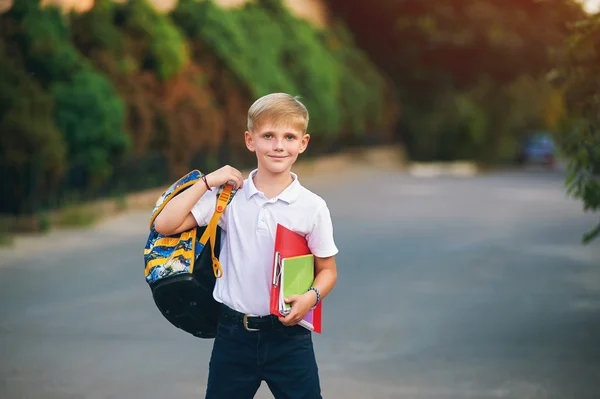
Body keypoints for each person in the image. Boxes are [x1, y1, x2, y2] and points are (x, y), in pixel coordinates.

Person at [154, 93, 339, 399]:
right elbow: (165, 224)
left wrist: (312, 296)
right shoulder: (229, 198)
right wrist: (208, 181)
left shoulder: (312, 207)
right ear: (250, 140)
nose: (278, 145)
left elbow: (328, 270)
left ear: (303, 143)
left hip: (289, 338)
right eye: (268, 135)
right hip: (233, 336)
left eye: (289, 137)